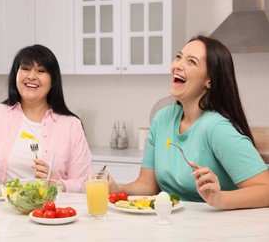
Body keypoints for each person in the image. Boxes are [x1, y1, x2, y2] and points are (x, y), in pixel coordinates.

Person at [109, 35, 269, 209]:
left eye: (191, 62)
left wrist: (218, 199)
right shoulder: (162, 119)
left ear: (210, 81)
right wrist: (117, 188)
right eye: (178, 57)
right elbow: (147, 185)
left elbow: (265, 189)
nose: (177, 65)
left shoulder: (216, 128)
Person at [0, 44, 92, 193]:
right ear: (16, 74)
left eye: (41, 71)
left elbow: (85, 184)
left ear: (53, 80)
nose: (32, 76)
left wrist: (56, 184)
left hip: (49, 213)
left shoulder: (72, 125)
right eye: (26, 69)